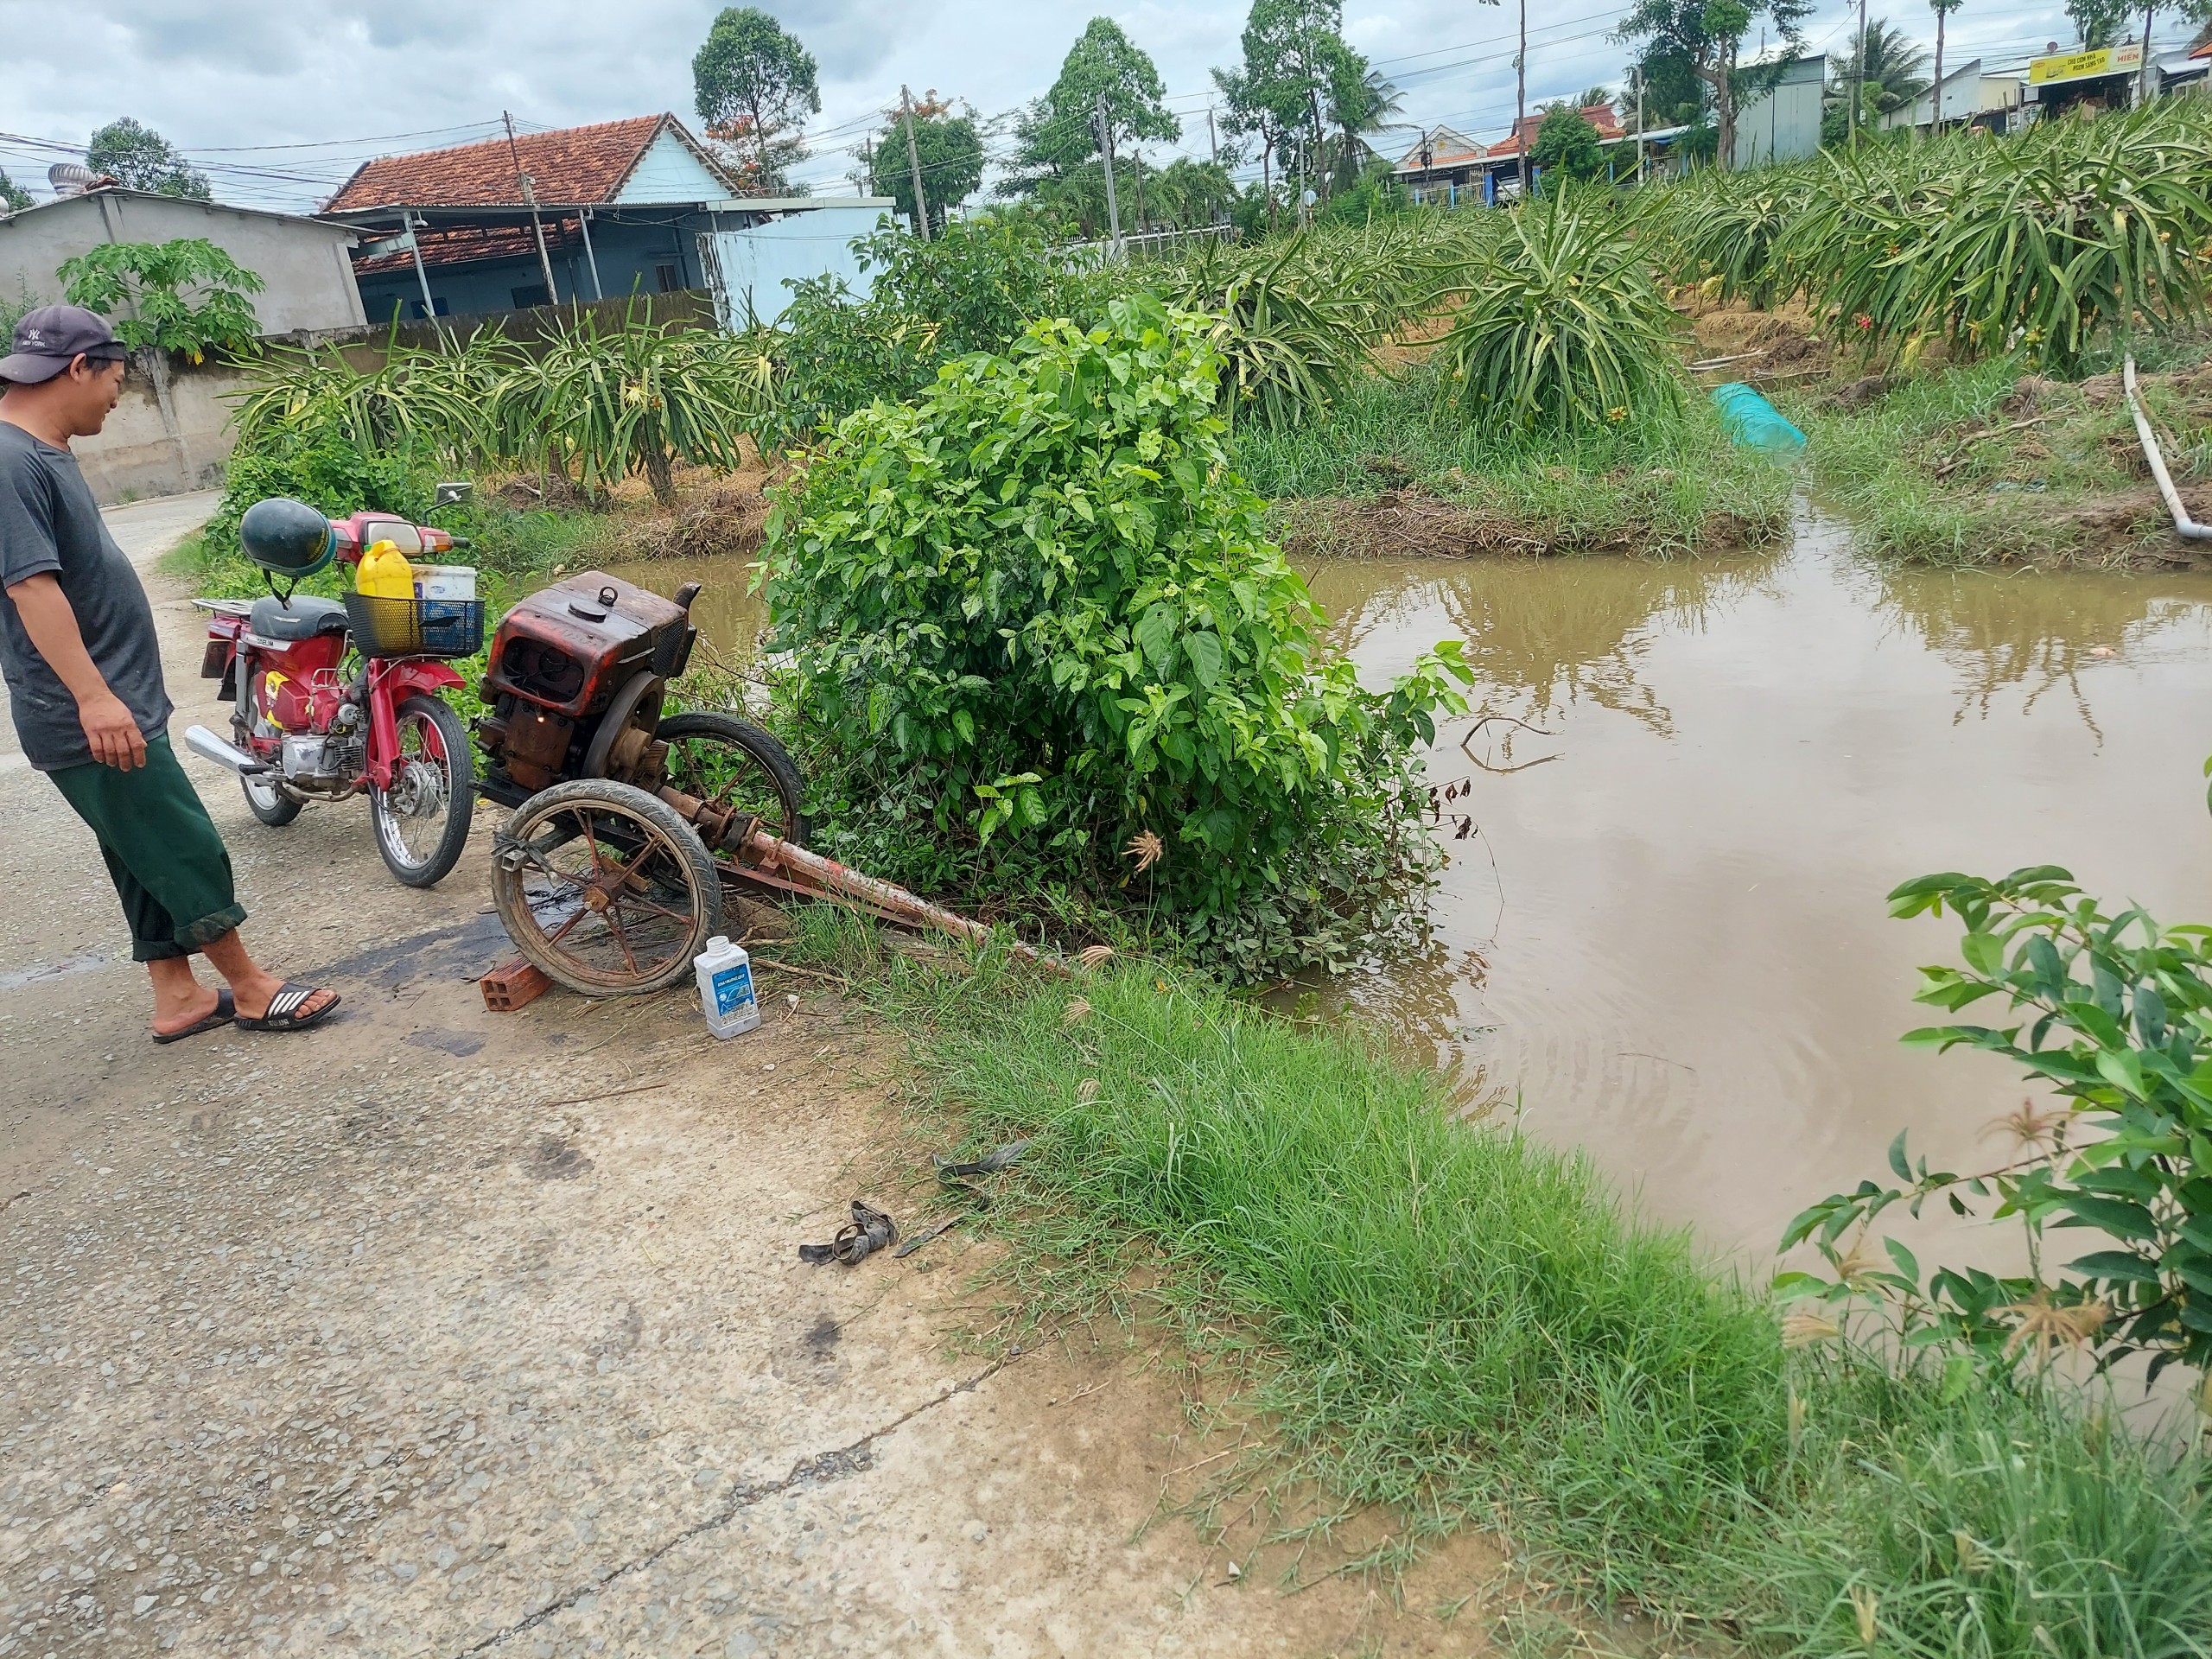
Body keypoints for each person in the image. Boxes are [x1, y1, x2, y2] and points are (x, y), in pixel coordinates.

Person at [0, 305, 338, 1041]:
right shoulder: (10, 460)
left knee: (139, 848)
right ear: (80, 366)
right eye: (115, 381)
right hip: (88, 710)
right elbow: (30, 587)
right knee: (182, 843)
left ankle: (178, 997)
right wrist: (94, 698)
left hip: (109, 700)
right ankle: (249, 987)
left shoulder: (37, 451)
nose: (118, 398)